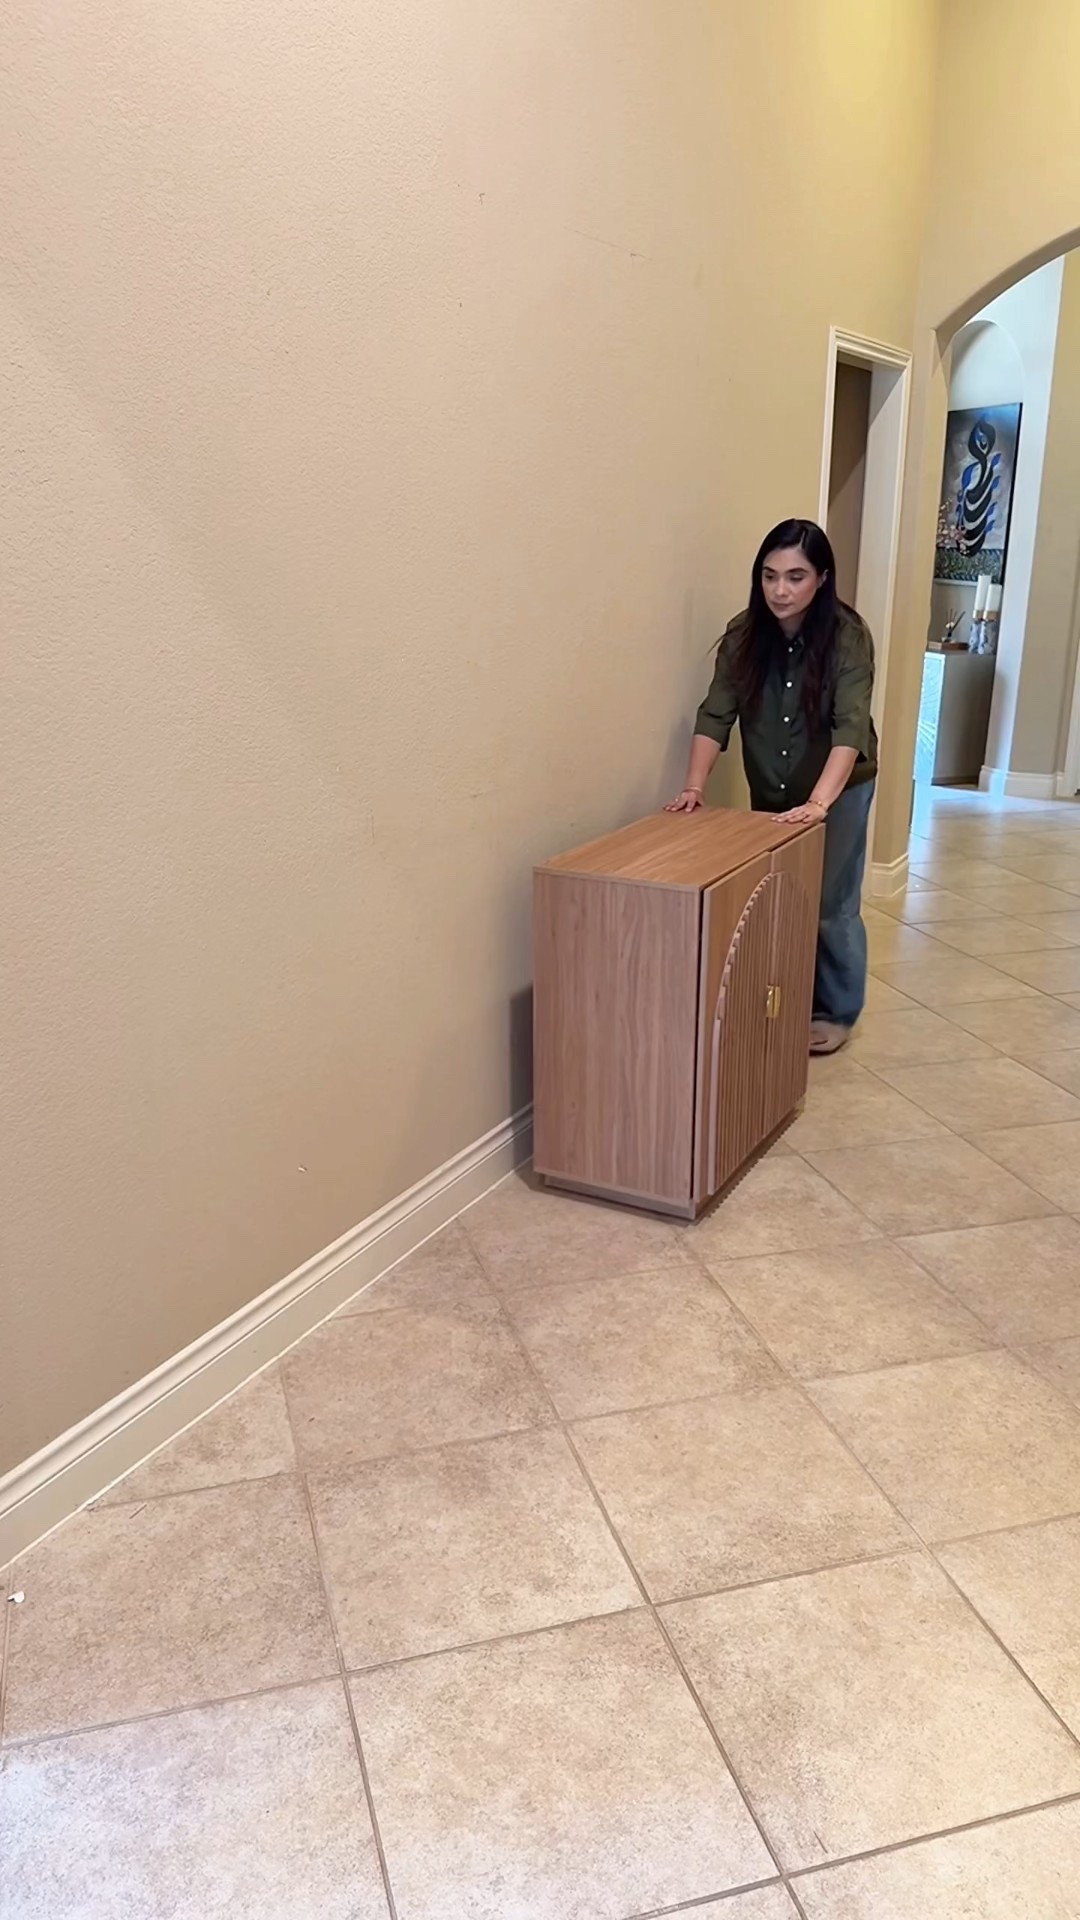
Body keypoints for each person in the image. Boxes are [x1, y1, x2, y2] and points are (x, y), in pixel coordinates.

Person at [666, 518, 877, 1055]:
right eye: (770, 576)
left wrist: (819, 803)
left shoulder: (848, 638)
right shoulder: (741, 635)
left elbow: (850, 727)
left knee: (830, 903)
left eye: (796, 577)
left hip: (839, 786)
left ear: (822, 579)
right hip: (774, 783)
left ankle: (836, 1009)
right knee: (783, 896)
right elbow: (716, 713)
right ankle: (784, 999)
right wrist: (694, 786)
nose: (780, 590)